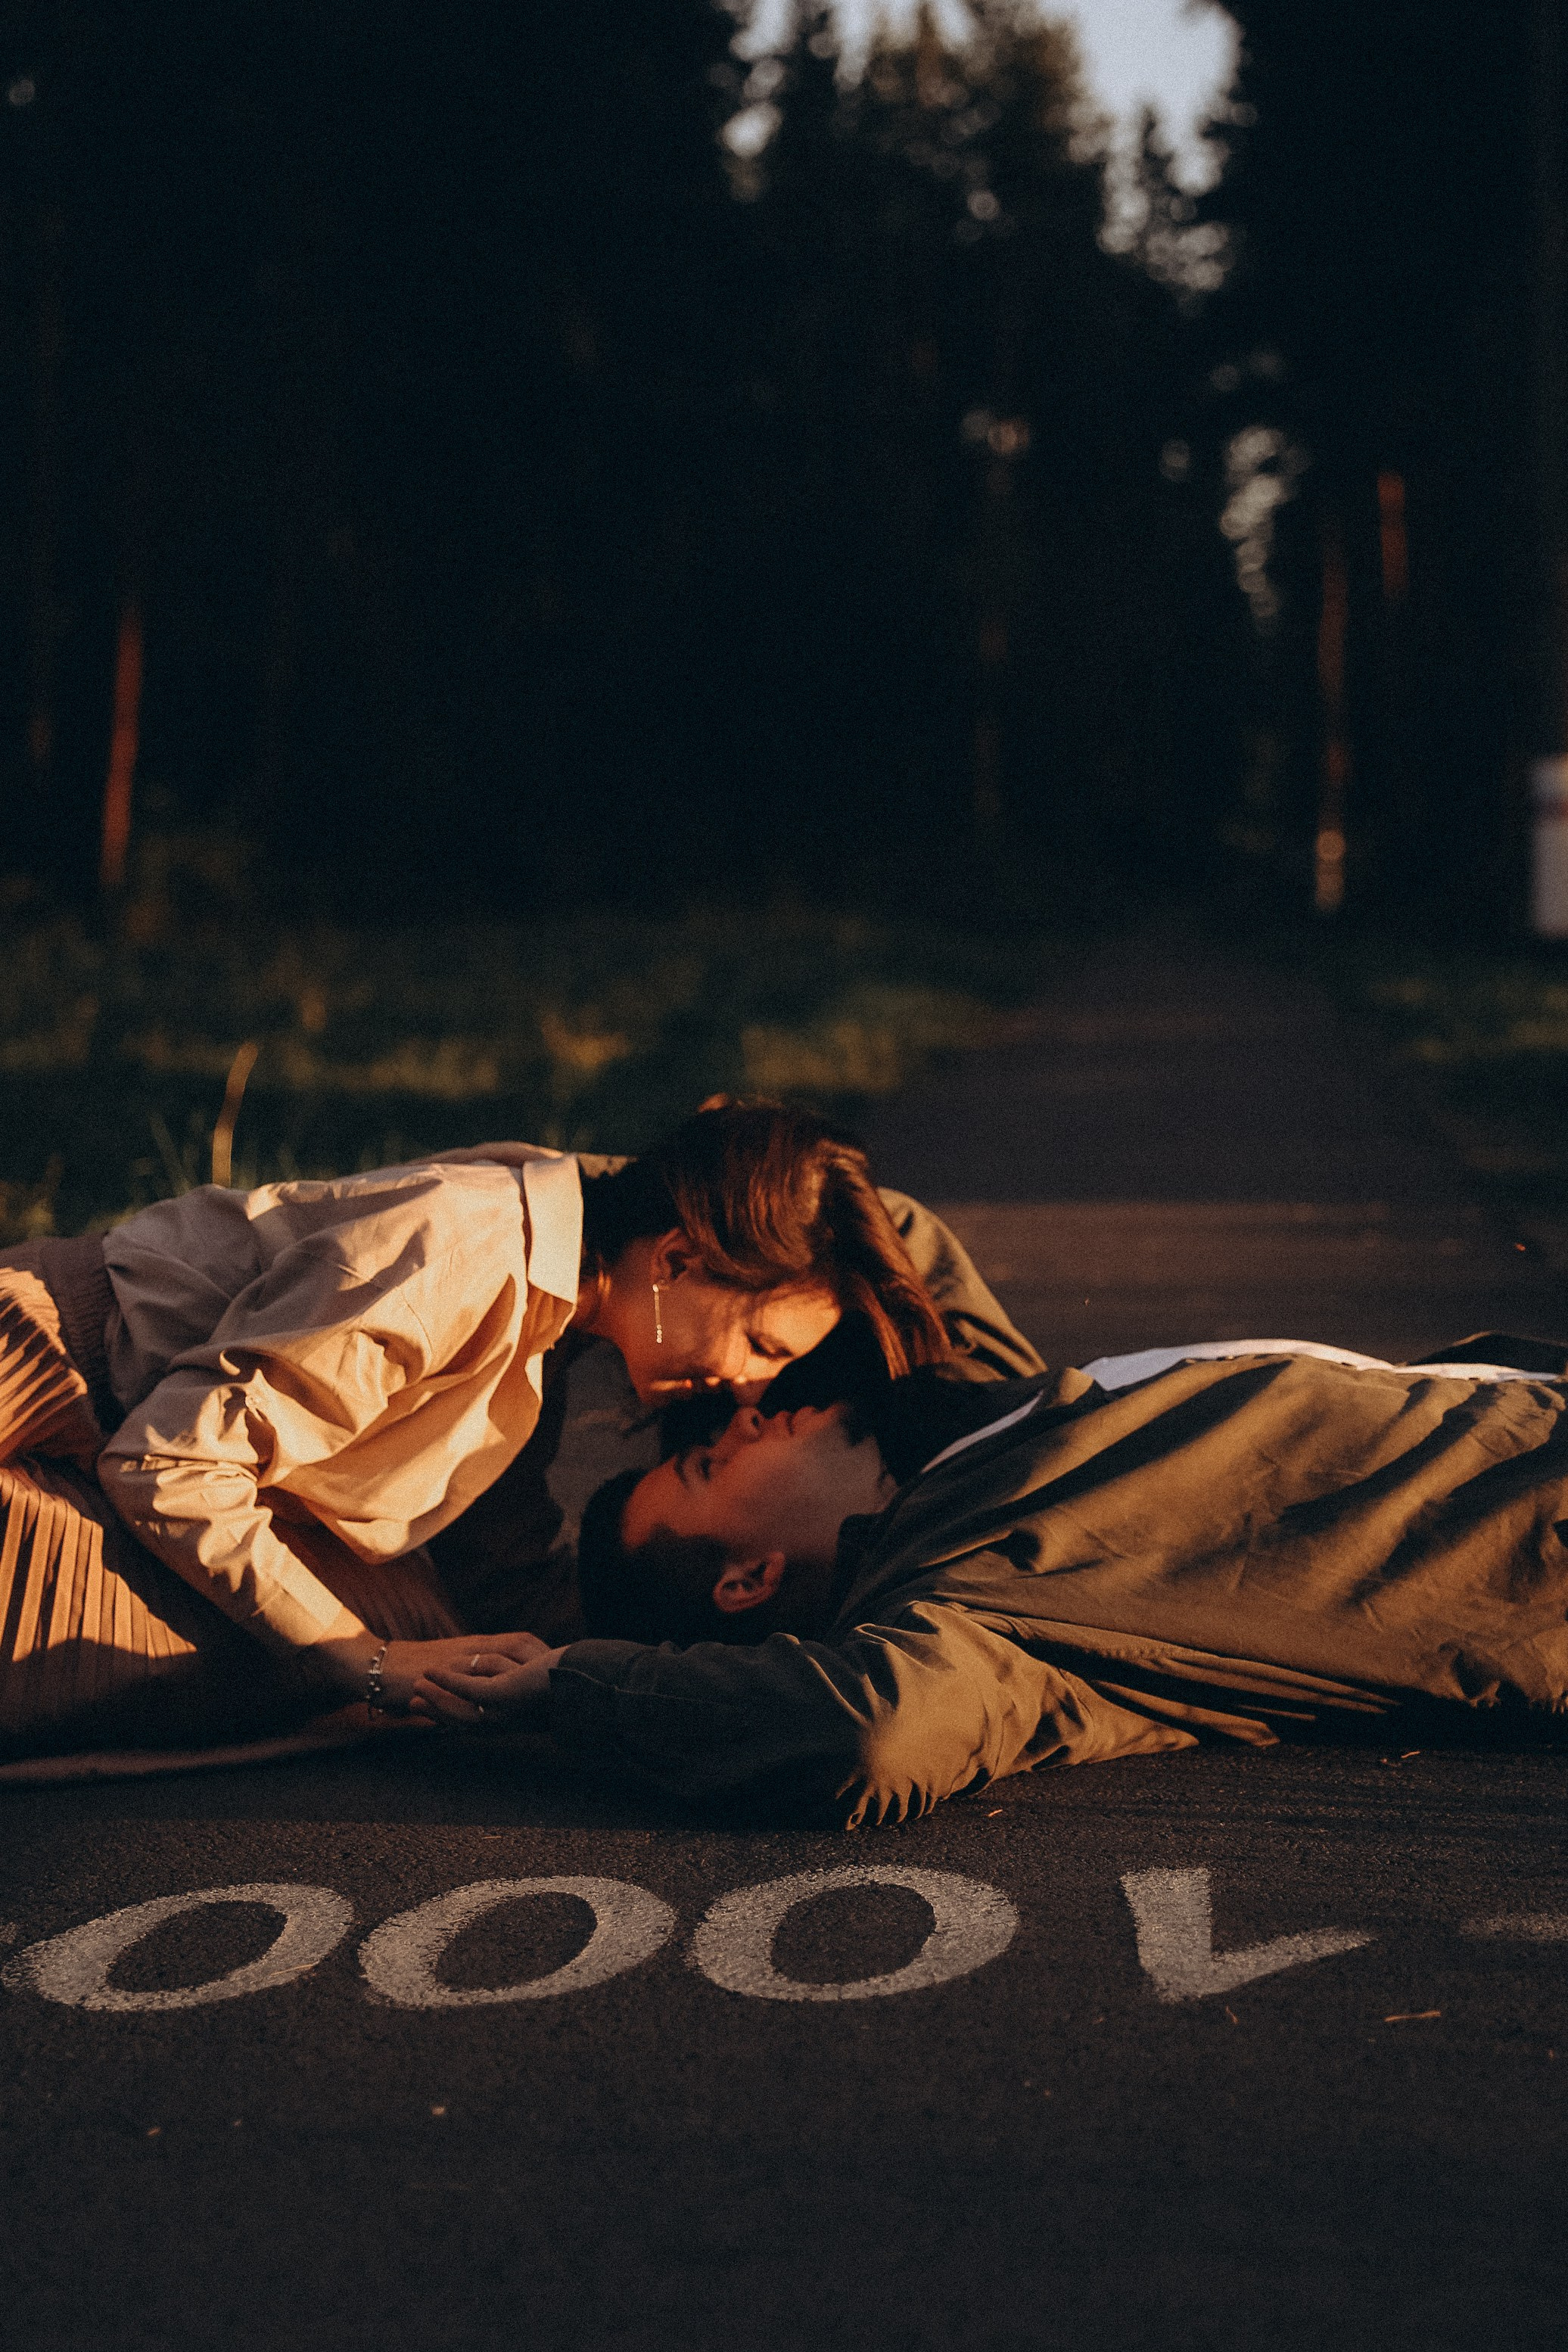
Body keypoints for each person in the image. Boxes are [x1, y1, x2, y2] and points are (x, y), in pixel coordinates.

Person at [0, 1100, 1025, 1766]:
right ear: (676, 1260)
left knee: (385, 1648)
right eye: (759, 1340)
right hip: (45, 1375)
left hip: (118, 1438)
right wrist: (367, 1662)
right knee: (343, 1665)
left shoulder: (550, 1322)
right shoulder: (465, 1253)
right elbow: (172, 1465)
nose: (751, 1385)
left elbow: (501, 1581)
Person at [410, 1336, 1568, 1827]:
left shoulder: (967, 1441)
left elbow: (881, 1233)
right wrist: (571, 1684)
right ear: (749, 1579)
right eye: (717, 1462)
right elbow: (876, 1732)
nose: (753, 1411)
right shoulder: (967, 1600)